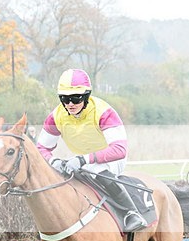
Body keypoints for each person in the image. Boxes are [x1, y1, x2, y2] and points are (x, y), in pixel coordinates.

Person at [35, 68, 147, 232]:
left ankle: (131, 213)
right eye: (64, 98)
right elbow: (41, 148)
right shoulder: (55, 116)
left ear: (86, 96)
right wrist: (54, 161)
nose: (70, 104)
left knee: (95, 169)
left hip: (110, 160)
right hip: (82, 160)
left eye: (75, 98)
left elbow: (119, 149)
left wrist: (83, 160)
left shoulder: (104, 112)